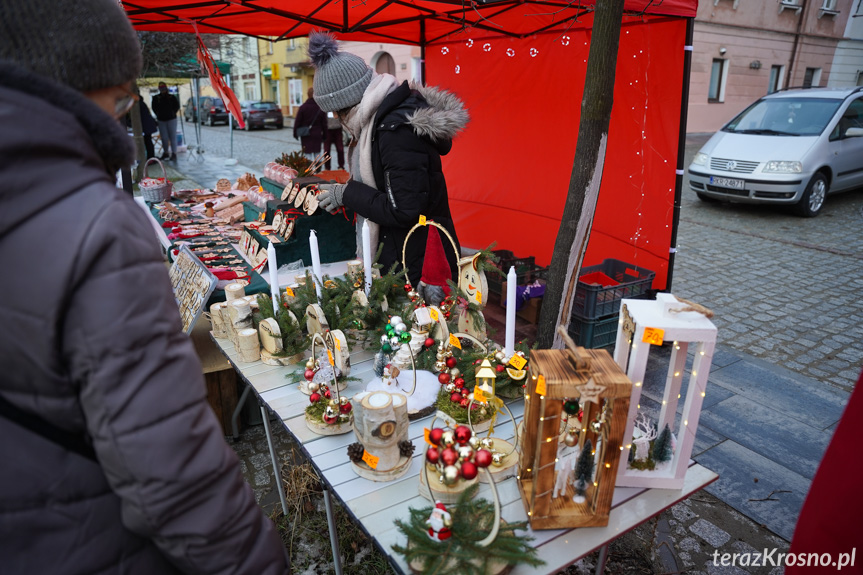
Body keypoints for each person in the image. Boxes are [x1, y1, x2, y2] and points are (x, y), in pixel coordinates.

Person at [0, 1, 291, 574]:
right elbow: (173, 470)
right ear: (76, 84)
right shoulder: (95, 223)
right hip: (91, 542)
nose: (123, 119)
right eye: (119, 100)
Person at [309, 32, 468, 289]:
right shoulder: (381, 122)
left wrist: (347, 194)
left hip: (420, 264)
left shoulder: (395, 131)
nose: (338, 118)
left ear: (350, 102)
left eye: (337, 111)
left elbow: (404, 209)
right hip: (407, 252)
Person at [293, 87, 327, 162]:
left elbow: (297, 122)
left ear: (308, 95)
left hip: (306, 135)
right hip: (317, 134)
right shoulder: (320, 108)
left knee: (307, 154)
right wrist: (325, 135)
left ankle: (308, 171)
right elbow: (324, 123)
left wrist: (295, 133)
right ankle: (318, 171)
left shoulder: (303, 107)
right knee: (317, 154)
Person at [152, 81, 180, 161]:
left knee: (173, 137)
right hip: (161, 120)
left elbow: (176, 106)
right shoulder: (156, 98)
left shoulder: (171, 97)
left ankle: (174, 153)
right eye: (161, 89)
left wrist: (172, 113)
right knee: (164, 137)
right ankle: (166, 152)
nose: (163, 90)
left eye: (164, 88)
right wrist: (158, 114)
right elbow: (154, 107)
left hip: (171, 119)